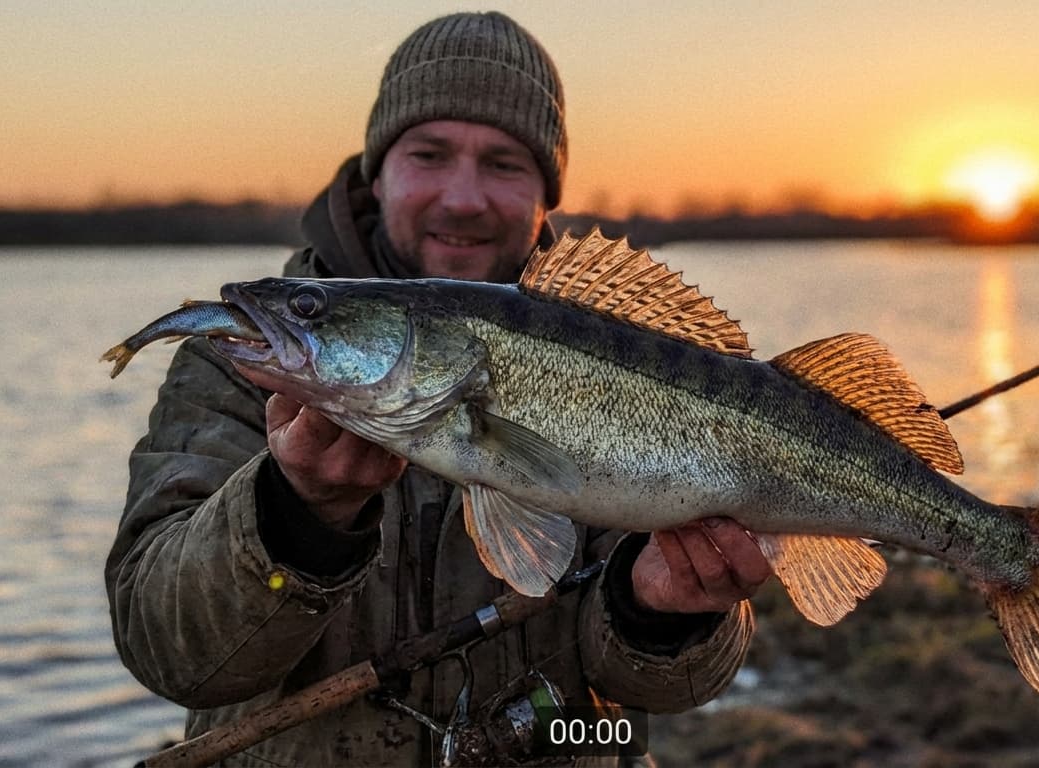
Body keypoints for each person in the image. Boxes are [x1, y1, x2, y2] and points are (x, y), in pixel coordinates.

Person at [106, 12, 769, 766]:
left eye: (504, 163)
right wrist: (295, 517)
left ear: (546, 193)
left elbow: (655, 694)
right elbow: (165, 650)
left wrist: (659, 613)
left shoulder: (622, 346)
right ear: (376, 172)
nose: (463, 197)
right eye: (429, 154)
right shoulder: (240, 367)